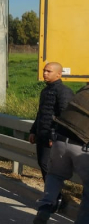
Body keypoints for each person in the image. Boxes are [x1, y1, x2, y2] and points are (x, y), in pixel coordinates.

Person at [33, 84, 89, 224]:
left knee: (55, 175)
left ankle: (46, 205)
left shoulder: (83, 91)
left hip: (59, 141)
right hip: (82, 147)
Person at [30, 62, 74, 213]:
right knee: (43, 165)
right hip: (42, 134)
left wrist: (54, 136)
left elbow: (65, 116)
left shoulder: (64, 92)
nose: (45, 73)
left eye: (49, 71)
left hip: (53, 138)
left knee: (50, 168)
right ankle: (53, 197)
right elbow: (41, 113)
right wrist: (33, 131)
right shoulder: (45, 91)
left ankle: (56, 199)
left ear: (59, 74)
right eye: (44, 70)